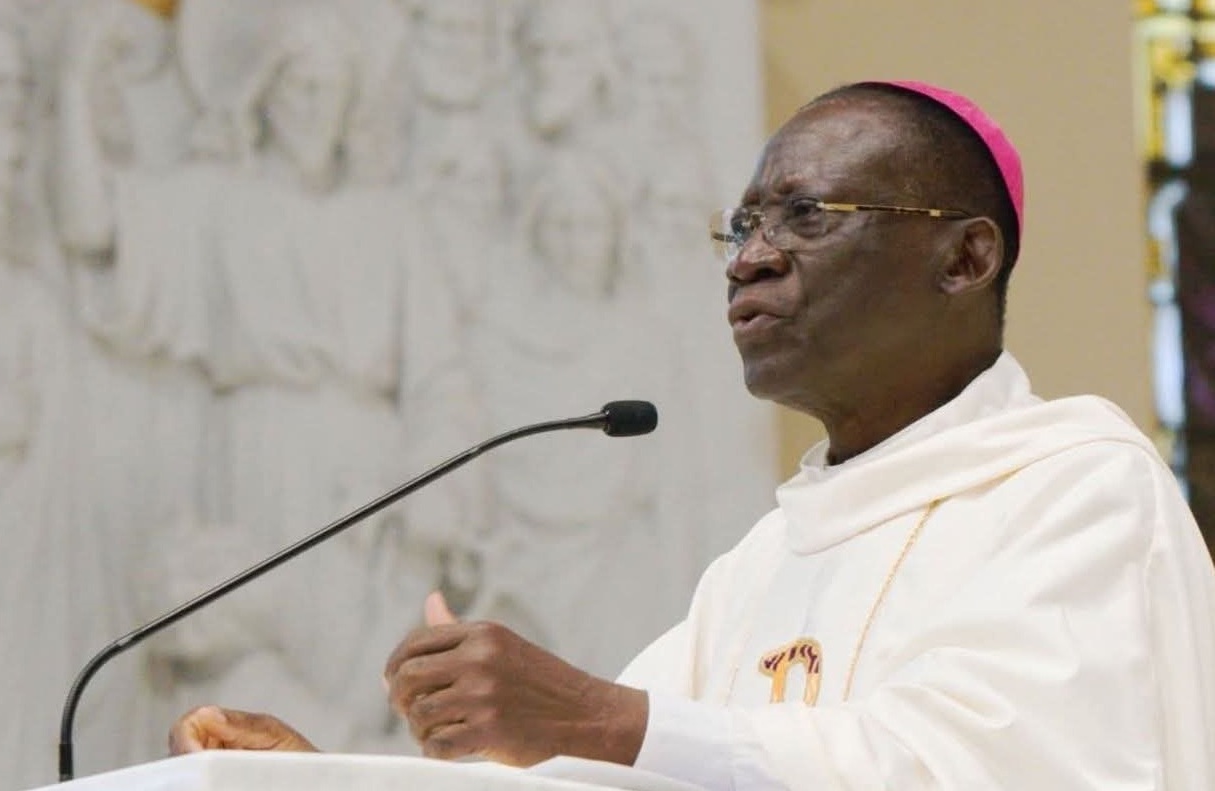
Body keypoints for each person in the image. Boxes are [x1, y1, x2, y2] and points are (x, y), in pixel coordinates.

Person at [168, 81, 1215, 790]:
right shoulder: (762, 566)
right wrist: (308, 777)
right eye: (743, 225)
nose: (748, 259)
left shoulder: (1077, 492)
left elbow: (983, 770)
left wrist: (597, 715)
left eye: (806, 216)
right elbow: (593, 783)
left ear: (964, 259)